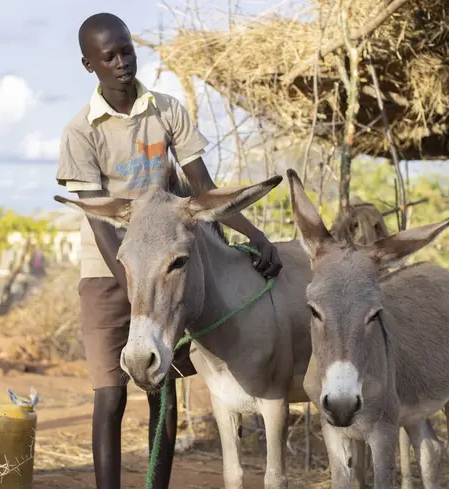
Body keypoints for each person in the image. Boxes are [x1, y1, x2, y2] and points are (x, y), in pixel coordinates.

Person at [55, 12, 283, 489]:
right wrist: (137, 287)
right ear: (88, 64)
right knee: (110, 393)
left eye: (127, 51)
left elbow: (202, 186)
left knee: (164, 386)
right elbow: (97, 219)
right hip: (110, 268)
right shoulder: (81, 131)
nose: (121, 62)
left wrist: (255, 235)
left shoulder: (167, 111)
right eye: (109, 56)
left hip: (170, 265)